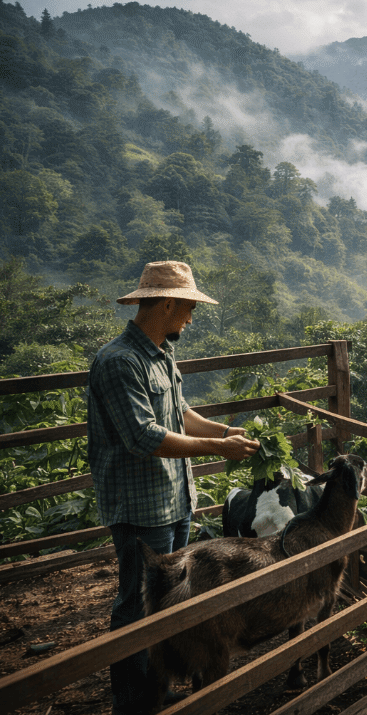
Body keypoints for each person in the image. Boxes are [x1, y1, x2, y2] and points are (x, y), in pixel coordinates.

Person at [87, 261, 260, 714]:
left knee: (170, 602)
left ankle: (160, 688)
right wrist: (217, 449)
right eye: (188, 308)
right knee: (135, 607)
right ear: (166, 303)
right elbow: (144, 437)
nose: (191, 317)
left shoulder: (162, 353)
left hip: (175, 498)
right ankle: (133, 703)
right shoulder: (119, 362)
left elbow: (180, 413)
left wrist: (225, 434)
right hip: (141, 505)